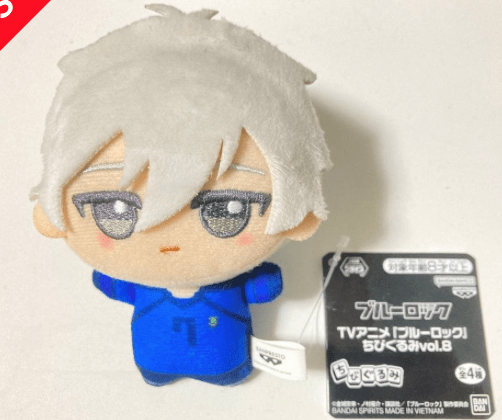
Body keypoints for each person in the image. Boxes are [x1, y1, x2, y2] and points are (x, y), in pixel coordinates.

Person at [31, 5, 331, 386]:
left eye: (228, 209)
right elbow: (267, 285)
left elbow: (266, 285)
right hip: (158, 362)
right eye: (115, 210)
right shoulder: (141, 282)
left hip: (227, 364)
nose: (168, 241)